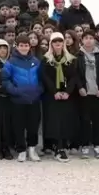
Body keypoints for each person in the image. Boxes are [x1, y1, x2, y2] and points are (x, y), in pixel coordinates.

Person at [40, 32, 80, 162]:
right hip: (52, 95)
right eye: (55, 41)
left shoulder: (71, 59)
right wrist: (54, 92)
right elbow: (45, 77)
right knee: (54, 121)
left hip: (67, 95)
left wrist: (67, 92)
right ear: (51, 44)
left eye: (60, 41)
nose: (58, 44)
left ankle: (63, 144)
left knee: (65, 121)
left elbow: (74, 77)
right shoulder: (46, 59)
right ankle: (58, 147)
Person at [76, 30, 99, 159]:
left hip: (98, 93)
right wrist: (80, 87)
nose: (89, 40)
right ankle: (85, 146)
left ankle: (97, 145)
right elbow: (76, 74)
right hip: (84, 93)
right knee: (84, 120)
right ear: (82, 40)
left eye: (91, 38)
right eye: (86, 38)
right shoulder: (78, 55)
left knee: (97, 120)